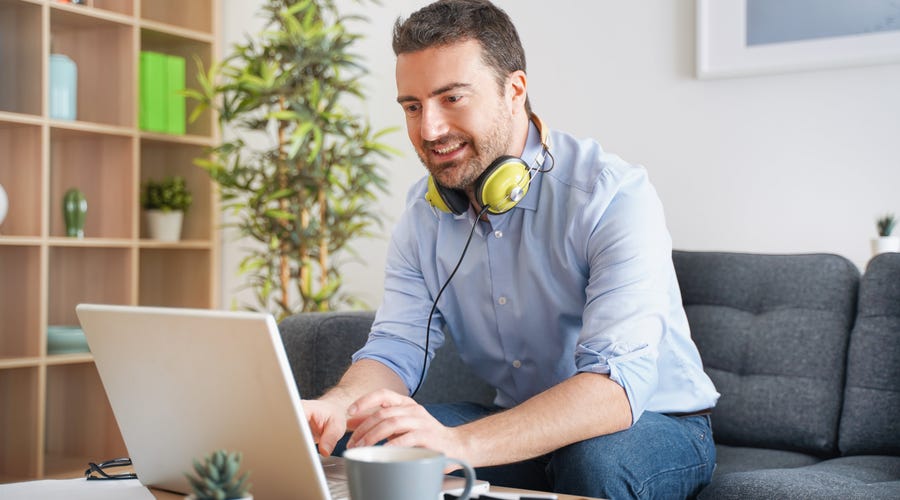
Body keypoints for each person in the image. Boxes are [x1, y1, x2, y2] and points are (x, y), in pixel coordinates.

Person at [302, 0, 720, 497]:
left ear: (514, 90)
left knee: (597, 463)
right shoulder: (423, 213)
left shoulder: (612, 194)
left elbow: (615, 388)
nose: (429, 129)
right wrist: (339, 404)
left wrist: (457, 445)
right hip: (518, 420)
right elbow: (396, 347)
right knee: (362, 441)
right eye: (412, 107)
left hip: (652, 421)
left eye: (452, 98)